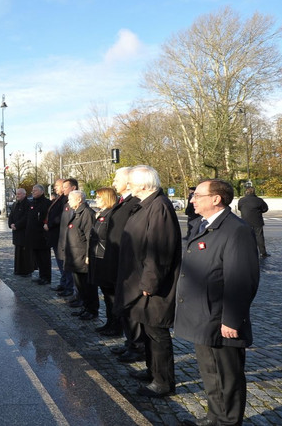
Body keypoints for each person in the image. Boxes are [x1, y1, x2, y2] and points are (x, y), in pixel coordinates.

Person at [176, 179, 260, 426]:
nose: (192, 200)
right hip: (203, 315)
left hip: (221, 317)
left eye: (197, 195)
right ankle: (215, 417)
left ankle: (228, 421)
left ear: (216, 199)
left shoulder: (236, 229)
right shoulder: (201, 224)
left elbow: (242, 278)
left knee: (228, 376)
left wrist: (232, 319)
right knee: (210, 373)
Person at [118, 165, 181, 398]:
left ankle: (163, 382)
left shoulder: (159, 207)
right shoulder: (147, 205)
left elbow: (160, 250)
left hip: (154, 287)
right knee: (148, 330)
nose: (129, 186)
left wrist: (149, 283)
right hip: (141, 282)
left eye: (132, 182)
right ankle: (152, 371)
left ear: (143, 185)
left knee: (157, 334)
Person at [111, 167, 146, 363]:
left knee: (133, 309)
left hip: (131, 265)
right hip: (120, 261)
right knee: (125, 308)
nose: (114, 183)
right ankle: (130, 341)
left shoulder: (135, 203)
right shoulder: (123, 202)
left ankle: (137, 345)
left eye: (117, 179)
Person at [87, 187, 121, 335]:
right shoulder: (102, 214)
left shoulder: (112, 214)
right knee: (107, 295)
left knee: (112, 295)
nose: (96, 200)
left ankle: (116, 325)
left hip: (106, 260)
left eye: (99, 198)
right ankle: (109, 322)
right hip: (98, 258)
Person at [64, 190, 98, 321]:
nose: (68, 202)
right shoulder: (77, 212)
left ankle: (91, 309)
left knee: (88, 286)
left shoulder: (87, 214)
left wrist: (89, 255)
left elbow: (90, 237)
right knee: (80, 285)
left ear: (79, 200)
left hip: (83, 256)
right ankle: (84, 307)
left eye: (70, 199)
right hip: (75, 256)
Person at [55, 178, 79, 299]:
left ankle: (71, 289)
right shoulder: (66, 203)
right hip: (63, 240)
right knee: (65, 266)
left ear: (73, 188)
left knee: (71, 269)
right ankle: (68, 286)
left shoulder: (75, 207)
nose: (63, 189)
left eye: (65, 187)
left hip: (71, 243)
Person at [47, 179, 70, 292]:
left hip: (60, 234)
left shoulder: (66, 199)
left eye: (57, 185)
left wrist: (50, 224)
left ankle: (67, 285)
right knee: (60, 262)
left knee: (64, 263)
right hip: (56, 236)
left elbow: (62, 216)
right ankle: (63, 282)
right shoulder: (59, 198)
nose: (55, 188)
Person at [25, 185, 51, 281]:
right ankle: (41, 275)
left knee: (44, 258)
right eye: (32, 191)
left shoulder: (47, 203)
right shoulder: (32, 203)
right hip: (33, 236)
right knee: (37, 258)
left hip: (42, 236)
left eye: (35, 191)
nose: (33, 192)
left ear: (42, 191)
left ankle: (46, 277)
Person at [237, 186, 269, 258]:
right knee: (259, 237)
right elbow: (265, 209)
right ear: (254, 192)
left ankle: (246, 252)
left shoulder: (241, 200)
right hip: (257, 221)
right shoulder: (259, 200)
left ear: (245, 192)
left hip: (245, 221)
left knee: (246, 237)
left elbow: (239, 208)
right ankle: (262, 253)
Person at [8, 188, 30, 275]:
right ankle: (18, 269)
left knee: (24, 252)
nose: (17, 195)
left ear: (24, 194)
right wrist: (11, 224)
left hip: (24, 231)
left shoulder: (28, 204)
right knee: (18, 251)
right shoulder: (15, 204)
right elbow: (11, 216)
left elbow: (26, 217)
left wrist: (17, 225)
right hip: (16, 232)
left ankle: (25, 271)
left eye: (20, 194)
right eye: (17, 194)